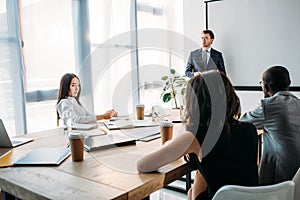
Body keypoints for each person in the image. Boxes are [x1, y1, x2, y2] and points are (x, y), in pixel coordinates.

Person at [137, 70, 258, 200]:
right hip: (249, 197)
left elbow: (143, 165)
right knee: (194, 188)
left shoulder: (195, 136)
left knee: (192, 191)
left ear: (195, 102)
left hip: (221, 197)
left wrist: (169, 144)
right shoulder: (250, 129)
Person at [240, 66, 300, 185]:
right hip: (297, 175)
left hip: (278, 176)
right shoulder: (298, 103)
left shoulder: (268, 105)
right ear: (289, 83)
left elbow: (243, 123)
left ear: (266, 87)